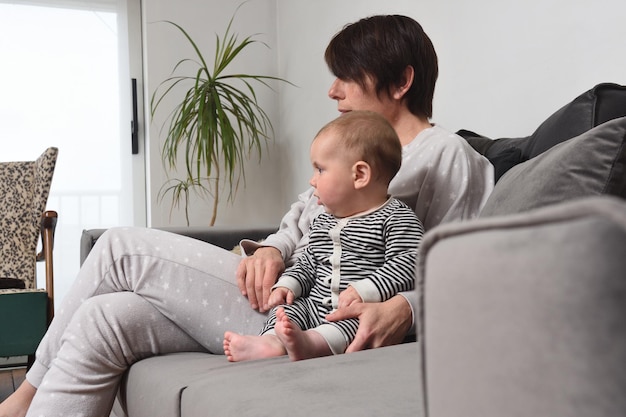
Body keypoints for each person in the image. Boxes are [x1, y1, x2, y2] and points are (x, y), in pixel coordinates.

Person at [0, 14, 493, 417]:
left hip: (309, 315)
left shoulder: (446, 155)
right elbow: (297, 225)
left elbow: (459, 272)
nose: (333, 91)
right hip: (283, 290)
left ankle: (22, 399)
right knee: (104, 315)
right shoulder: (344, 152)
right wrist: (274, 250)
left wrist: (406, 307)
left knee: (119, 248)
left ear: (401, 80)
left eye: (347, 76)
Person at [224, 110, 424, 362]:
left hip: (353, 312)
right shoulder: (323, 221)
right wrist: (288, 285)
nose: (312, 180)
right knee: (287, 310)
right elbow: (308, 263)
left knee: (353, 324)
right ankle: (271, 342)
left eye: (320, 170)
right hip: (313, 305)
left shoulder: (396, 217)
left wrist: (367, 289)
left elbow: (410, 263)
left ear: (359, 175)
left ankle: (310, 343)